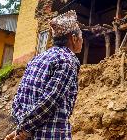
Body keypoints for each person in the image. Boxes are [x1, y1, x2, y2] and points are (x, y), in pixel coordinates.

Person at [5, 10, 83, 140]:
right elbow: (49, 100)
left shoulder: (36, 59)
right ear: (74, 38)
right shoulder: (68, 60)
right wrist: (24, 129)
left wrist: (21, 129)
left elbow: (18, 99)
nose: (82, 41)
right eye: (81, 37)